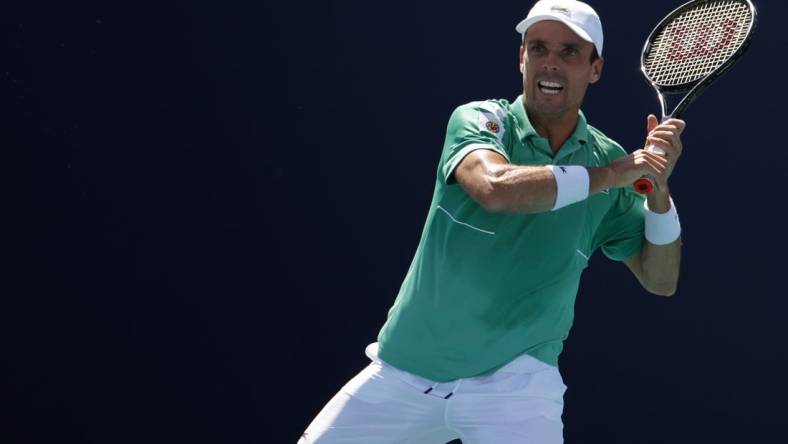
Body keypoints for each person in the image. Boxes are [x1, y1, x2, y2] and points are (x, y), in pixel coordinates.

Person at [299, 0, 684, 442]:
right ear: (522, 58)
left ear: (595, 69)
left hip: (516, 388)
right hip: (405, 371)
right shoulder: (482, 120)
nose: (550, 63)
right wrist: (615, 176)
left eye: (569, 52)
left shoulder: (609, 159)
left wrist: (657, 189)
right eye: (538, 48)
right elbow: (494, 188)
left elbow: (661, 278)